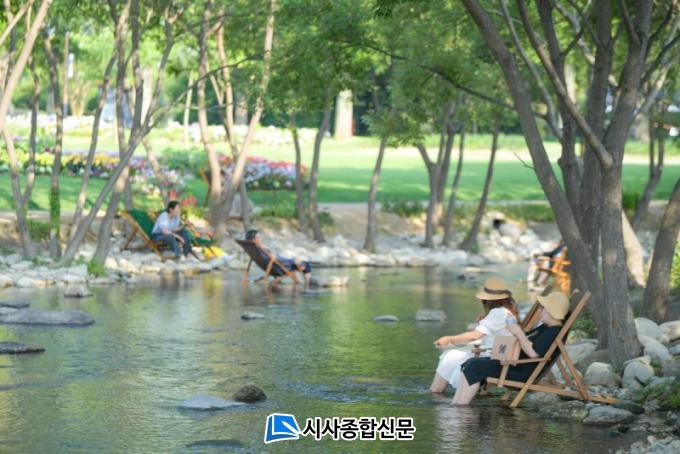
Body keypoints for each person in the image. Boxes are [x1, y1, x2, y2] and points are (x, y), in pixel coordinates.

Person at [451, 291, 569, 405]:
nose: (540, 311)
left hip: (521, 371)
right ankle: (456, 404)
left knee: (474, 366)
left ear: (552, 312)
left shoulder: (552, 331)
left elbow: (533, 353)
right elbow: (527, 342)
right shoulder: (546, 327)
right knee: (470, 363)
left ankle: (461, 407)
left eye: (543, 309)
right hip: (516, 364)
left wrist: (518, 332)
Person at [430, 277, 518, 393]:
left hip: (493, 357)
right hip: (497, 353)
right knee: (452, 355)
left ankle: (436, 392)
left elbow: (475, 336)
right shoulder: (507, 312)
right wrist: (482, 322)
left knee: (450, 356)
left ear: (487, 300)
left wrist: (449, 339)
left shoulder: (498, 313)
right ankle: (437, 391)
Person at [245, 229, 312, 286]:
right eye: (259, 237)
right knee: (305, 263)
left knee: (297, 264)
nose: (261, 238)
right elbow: (272, 258)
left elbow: (269, 256)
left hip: (273, 266)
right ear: (253, 240)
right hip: (278, 267)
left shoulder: (254, 249)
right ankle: (307, 285)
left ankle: (299, 283)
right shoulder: (260, 248)